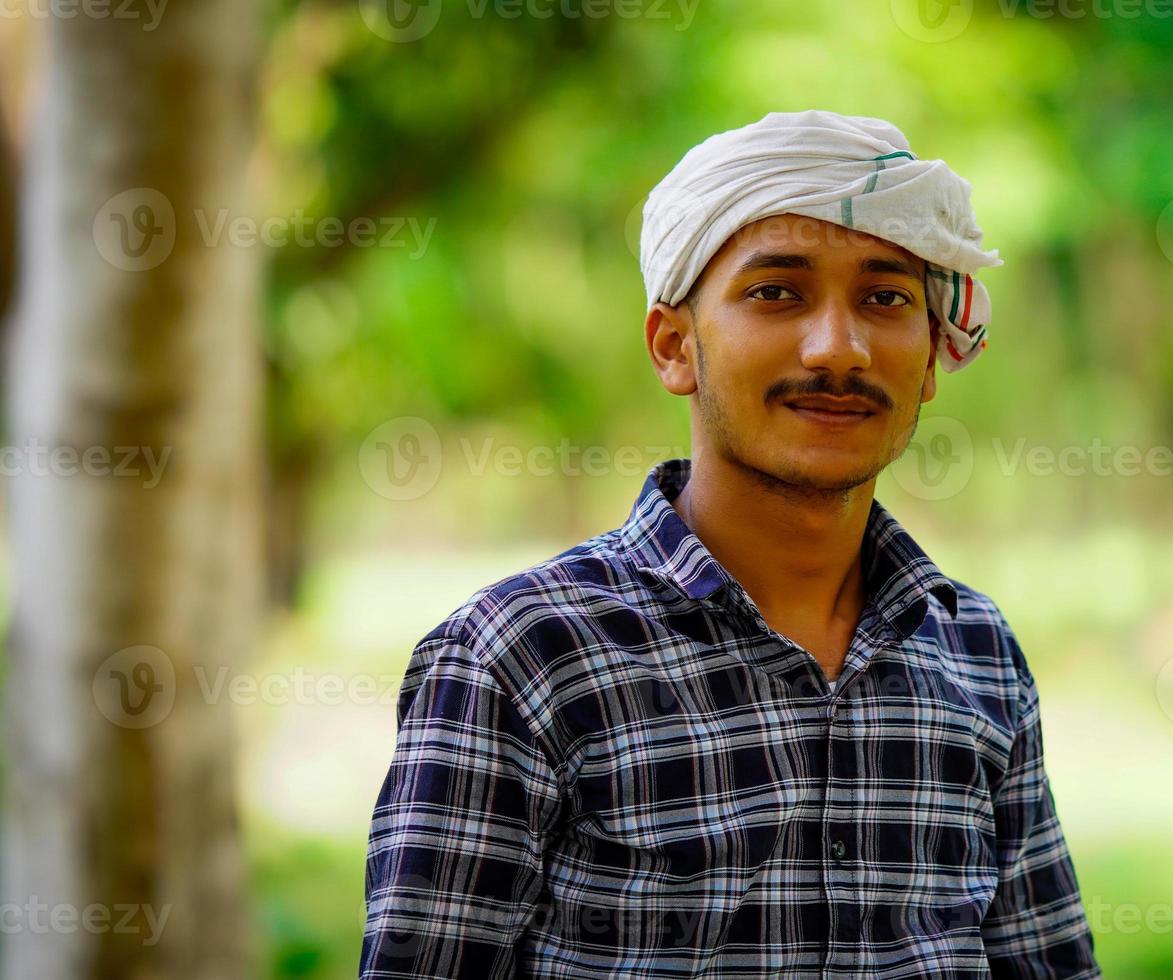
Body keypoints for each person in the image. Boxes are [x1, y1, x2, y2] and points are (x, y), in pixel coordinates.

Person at [359, 109, 1099, 979]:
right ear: (675, 347)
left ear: (932, 359)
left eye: (887, 298)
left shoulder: (976, 653)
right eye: (776, 293)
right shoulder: (521, 659)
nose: (839, 349)